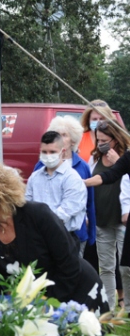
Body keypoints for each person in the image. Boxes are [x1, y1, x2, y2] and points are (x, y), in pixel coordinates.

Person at [0, 162, 108, 312]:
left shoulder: (38, 215)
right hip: (31, 305)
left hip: (76, 292)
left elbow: (69, 264)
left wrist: (46, 304)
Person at [82, 120, 130, 308]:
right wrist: (83, 182)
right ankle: (109, 308)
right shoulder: (97, 157)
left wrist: (118, 161)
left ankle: (127, 305)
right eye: (98, 140)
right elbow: (106, 176)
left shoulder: (124, 156)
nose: (100, 143)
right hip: (102, 219)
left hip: (122, 219)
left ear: (115, 138)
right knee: (108, 267)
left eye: (104, 140)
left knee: (125, 266)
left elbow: (123, 178)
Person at [33, 117, 96, 255]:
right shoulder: (40, 166)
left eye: (64, 135)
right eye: (56, 134)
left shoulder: (82, 166)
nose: (59, 138)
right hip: (45, 233)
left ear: (73, 140)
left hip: (75, 233)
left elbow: (90, 202)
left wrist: (92, 232)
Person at [25, 131, 87, 242]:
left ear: (62, 152)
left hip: (63, 237)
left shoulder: (72, 178)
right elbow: (27, 204)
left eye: (52, 152)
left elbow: (67, 210)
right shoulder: (34, 177)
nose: (48, 156)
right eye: (44, 152)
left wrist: (39, 222)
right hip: (38, 237)